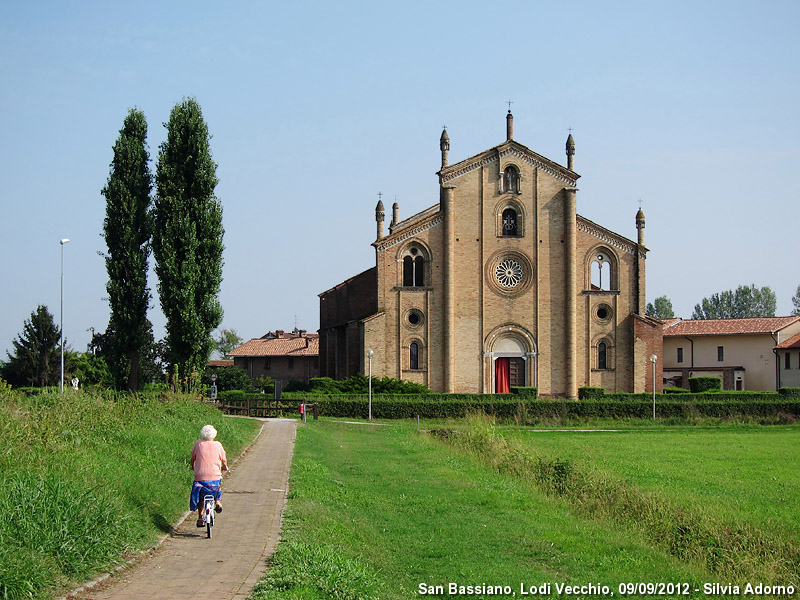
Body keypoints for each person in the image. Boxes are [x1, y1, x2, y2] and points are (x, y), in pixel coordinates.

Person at [190, 424, 228, 527]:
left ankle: (200, 517)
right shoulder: (218, 445)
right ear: (214, 434)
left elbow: (193, 457)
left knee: (201, 496)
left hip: (200, 477)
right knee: (217, 487)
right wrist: (225, 466)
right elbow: (223, 459)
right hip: (214, 476)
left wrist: (192, 466)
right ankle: (218, 502)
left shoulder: (198, 444)